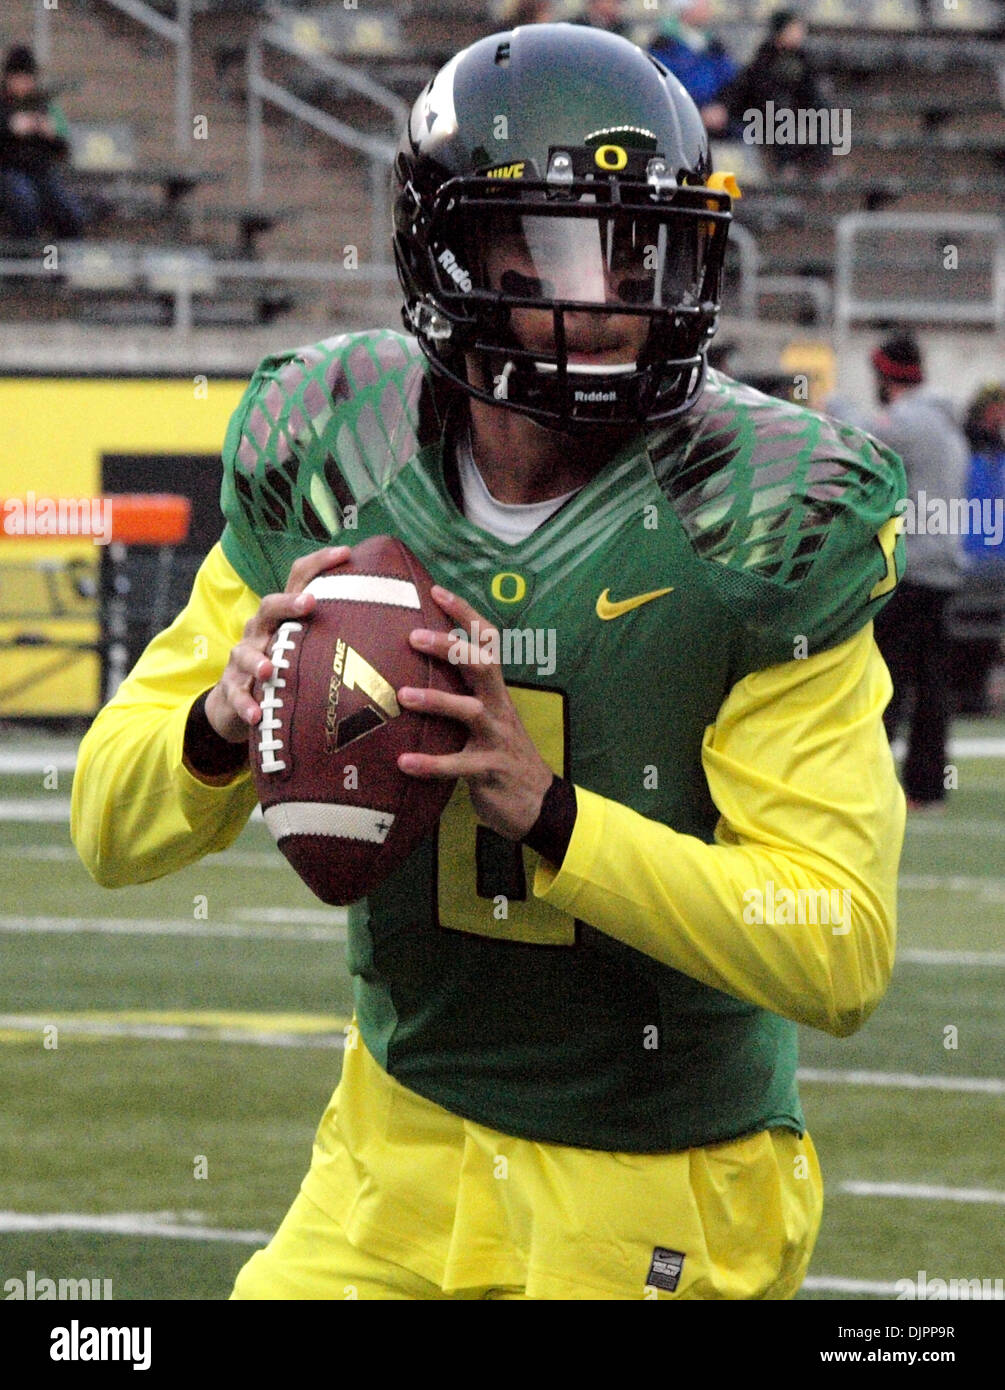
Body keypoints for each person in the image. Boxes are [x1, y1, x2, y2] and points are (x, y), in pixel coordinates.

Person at [72, 23, 906, 1301]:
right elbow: (107, 826)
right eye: (569, 246)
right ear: (451, 255)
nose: (620, 298)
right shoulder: (334, 455)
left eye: (650, 249)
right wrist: (220, 723)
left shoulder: (759, 514)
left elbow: (837, 947)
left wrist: (556, 818)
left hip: (657, 1175)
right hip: (391, 1151)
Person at [869, 332, 970, 810]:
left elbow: (855, 439)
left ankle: (870, 783)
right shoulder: (947, 423)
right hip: (944, 571)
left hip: (909, 572)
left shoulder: (908, 421)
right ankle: (927, 788)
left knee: (883, 683)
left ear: (887, 375)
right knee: (931, 687)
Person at [723, 9, 829, 174]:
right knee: (779, 112)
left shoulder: (802, 59)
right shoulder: (765, 58)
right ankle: (784, 165)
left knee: (822, 112)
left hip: (794, 112)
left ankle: (819, 165)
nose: (799, 34)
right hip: (763, 114)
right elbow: (756, 91)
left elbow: (809, 89)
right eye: (794, 29)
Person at [953, 383, 1005, 713]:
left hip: (994, 563)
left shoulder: (996, 457)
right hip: (967, 561)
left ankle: (974, 694)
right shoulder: (963, 452)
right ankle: (963, 693)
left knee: (985, 635)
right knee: (959, 631)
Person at [0, 44, 84, 240]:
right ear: (8, 78)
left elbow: (63, 148)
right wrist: (9, 129)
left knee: (72, 213)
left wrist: (52, 134)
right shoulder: (3, 105)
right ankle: (21, 267)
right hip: (7, 171)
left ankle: (58, 268)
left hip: (40, 172)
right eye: (18, 77)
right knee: (26, 206)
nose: (24, 83)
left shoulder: (43, 104)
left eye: (28, 78)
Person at [649, 0, 738, 135]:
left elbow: (731, 79)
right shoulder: (663, 46)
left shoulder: (714, 45)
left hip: (719, 118)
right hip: (681, 122)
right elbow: (665, 88)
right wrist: (698, 112)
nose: (707, 7)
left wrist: (723, 107)